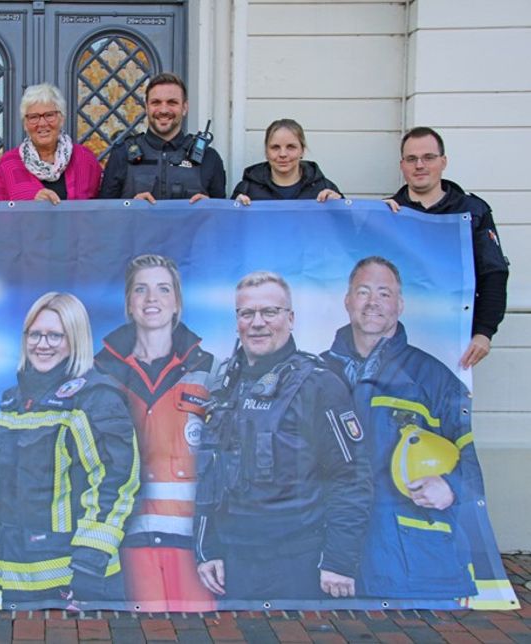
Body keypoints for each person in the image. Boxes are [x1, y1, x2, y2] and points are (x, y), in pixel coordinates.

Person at [193, 272, 371, 601]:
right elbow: (210, 473)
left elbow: (352, 478)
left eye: (269, 312)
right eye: (247, 313)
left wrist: (339, 561)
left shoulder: (319, 385)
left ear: (290, 318)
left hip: (298, 564)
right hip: (233, 565)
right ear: (237, 322)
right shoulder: (225, 385)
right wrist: (208, 549)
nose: (257, 322)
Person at [0, 292, 140, 609]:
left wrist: (89, 562)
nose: (43, 344)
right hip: (14, 580)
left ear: (75, 339)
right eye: (35, 334)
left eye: (55, 335)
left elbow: (117, 483)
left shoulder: (96, 398)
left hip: (79, 584)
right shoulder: (13, 402)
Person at [322, 257, 481, 600]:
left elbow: (471, 463)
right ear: (347, 301)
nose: (373, 302)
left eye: (384, 293)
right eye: (363, 292)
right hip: (327, 565)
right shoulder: (315, 373)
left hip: (411, 565)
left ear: (400, 304)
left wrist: (451, 487)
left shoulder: (433, 378)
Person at [94, 254, 217, 611]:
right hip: (125, 545)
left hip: (194, 548)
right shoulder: (101, 372)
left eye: (163, 289)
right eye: (141, 290)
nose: (152, 299)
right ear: (129, 303)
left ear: (177, 302)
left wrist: (215, 544)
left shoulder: (210, 369)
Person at [384, 126, 508, 369]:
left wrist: (484, 332)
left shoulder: (473, 211)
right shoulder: (386, 213)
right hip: (394, 344)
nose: (419, 165)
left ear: (443, 161)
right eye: (411, 159)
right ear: (402, 166)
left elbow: (493, 274)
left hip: (454, 340)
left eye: (428, 157)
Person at [98, 72, 226, 203]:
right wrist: (131, 208)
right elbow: (104, 216)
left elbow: (223, 218)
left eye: (172, 102)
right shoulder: (122, 154)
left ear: (185, 107)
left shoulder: (209, 158)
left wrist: (211, 206)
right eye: (156, 102)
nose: (163, 110)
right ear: (146, 107)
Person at [0, 84, 102, 203]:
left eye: (49, 115)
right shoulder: (8, 164)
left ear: (61, 118)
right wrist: (30, 204)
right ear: (25, 124)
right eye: (33, 117)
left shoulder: (85, 159)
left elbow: (101, 209)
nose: (42, 123)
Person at [231, 119, 342, 205]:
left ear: (302, 151)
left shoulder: (324, 188)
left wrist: (339, 207)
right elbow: (228, 230)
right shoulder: (247, 189)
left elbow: (347, 229)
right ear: (266, 151)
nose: (283, 154)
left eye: (291, 147)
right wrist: (234, 211)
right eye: (275, 147)